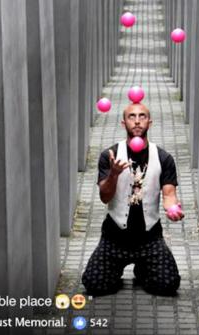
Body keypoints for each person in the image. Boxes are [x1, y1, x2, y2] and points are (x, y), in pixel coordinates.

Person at [82, 103, 184, 296]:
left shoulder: (164, 158)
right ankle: (116, 270)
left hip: (149, 238)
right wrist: (113, 174)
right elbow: (105, 197)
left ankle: (142, 269)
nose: (137, 121)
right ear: (123, 123)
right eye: (132, 117)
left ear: (149, 122)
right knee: (94, 284)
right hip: (115, 237)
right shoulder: (109, 156)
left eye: (142, 116)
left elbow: (169, 195)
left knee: (168, 284)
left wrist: (173, 209)